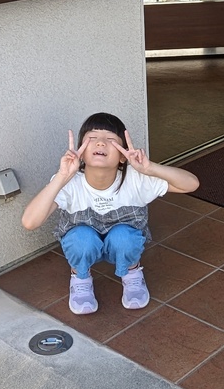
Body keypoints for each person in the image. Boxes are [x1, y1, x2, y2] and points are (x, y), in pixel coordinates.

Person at [21, 112, 199, 315]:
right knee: (81, 239)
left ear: (123, 156)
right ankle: (80, 277)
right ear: (81, 152)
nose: (100, 143)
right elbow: (30, 222)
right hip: (85, 242)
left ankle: (132, 272)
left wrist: (150, 168)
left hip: (122, 241)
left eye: (110, 139)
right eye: (92, 137)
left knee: (124, 237)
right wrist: (61, 177)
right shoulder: (69, 181)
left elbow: (191, 184)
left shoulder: (136, 179)